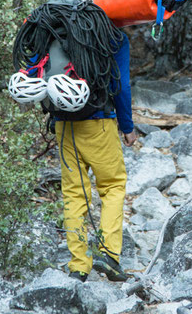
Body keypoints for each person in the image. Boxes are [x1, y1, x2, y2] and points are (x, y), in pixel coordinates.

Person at [57, 32, 137, 283]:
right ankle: (109, 255)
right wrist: (127, 125)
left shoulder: (51, 32)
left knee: (73, 193)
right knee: (112, 186)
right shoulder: (113, 36)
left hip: (63, 124)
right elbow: (120, 84)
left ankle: (78, 266)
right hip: (99, 122)